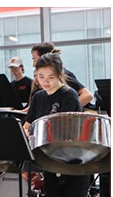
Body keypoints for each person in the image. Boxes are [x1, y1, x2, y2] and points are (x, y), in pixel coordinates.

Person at [28, 54, 89, 197]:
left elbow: (70, 133)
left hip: (73, 164)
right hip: (50, 162)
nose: (45, 81)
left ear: (60, 74)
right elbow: (27, 125)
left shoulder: (69, 95)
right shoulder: (38, 97)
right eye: (41, 76)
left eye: (51, 77)